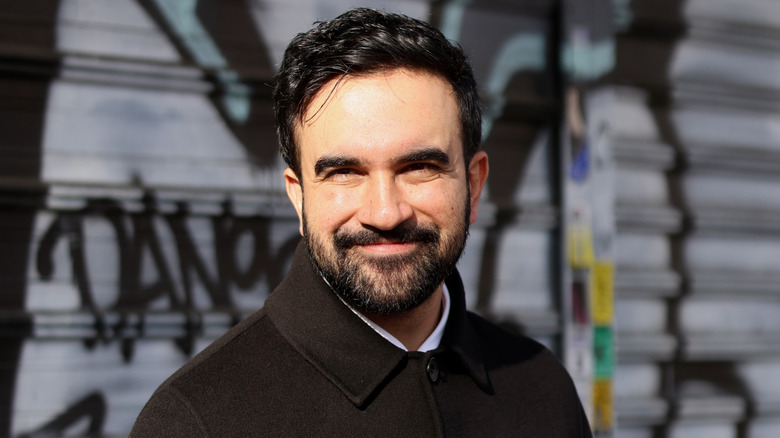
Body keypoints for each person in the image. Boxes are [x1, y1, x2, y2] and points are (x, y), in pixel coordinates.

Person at [130, 8, 591, 437]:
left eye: (418, 168)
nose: (385, 213)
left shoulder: (542, 390)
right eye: (345, 173)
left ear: (473, 183)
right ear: (299, 197)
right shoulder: (197, 422)